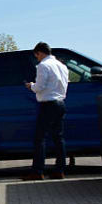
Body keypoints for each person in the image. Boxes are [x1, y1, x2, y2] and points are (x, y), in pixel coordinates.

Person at [22, 42, 69, 181]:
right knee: (58, 138)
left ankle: (37, 171)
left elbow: (39, 87)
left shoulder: (43, 66)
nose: (37, 58)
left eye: (36, 55)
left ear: (40, 53)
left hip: (48, 104)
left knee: (39, 138)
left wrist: (31, 86)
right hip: (60, 103)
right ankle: (59, 170)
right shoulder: (62, 66)